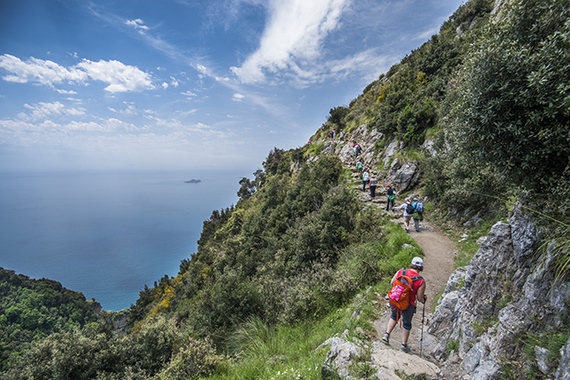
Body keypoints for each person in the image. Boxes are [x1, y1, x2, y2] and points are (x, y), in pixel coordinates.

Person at [382, 257, 426, 353]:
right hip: (408, 304)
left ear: (412, 264)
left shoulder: (402, 270)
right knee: (406, 323)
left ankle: (386, 334)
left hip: (396, 299)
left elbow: (392, 282)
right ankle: (403, 345)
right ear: (421, 267)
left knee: (394, 316)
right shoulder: (421, 281)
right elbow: (419, 298)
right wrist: (424, 299)